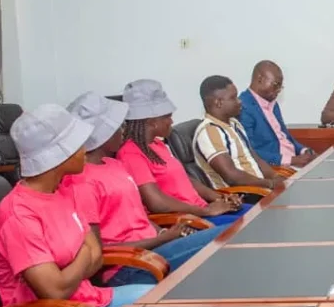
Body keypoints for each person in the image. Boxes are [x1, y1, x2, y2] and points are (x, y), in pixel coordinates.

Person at [0, 105, 155, 307]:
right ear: (57, 155)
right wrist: (84, 253)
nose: (86, 149)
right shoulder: (18, 215)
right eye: (78, 144)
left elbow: (96, 258)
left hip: (89, 301)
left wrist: (76, 264)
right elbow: (55, 290)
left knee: (168, 302)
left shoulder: (63, 191)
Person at [64, 92, 231, 286]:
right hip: (129, 265)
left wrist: (163, 233)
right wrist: (162, 239)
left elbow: (139, 217)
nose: (123, 130)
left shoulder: (114, 164)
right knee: (226, 236)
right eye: (118, 126)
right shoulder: (82, 182)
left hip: (153, 249)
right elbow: (98, 251)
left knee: (229, 235)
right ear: (103, 135)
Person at [116, 79, 249, 227]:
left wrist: (221, 198)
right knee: (247, 225)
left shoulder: (158, 145)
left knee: (256, 214)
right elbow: (157, 203)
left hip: (202, 210)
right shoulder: (131, 154)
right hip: (188, 219)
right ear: (152, 122)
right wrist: (205, 211)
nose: (171, 121)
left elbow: (186, 180)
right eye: (167, 117)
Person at [194, 75, 280, 191]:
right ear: (218, 102)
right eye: (233, 98)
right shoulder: (209, 132)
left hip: (261, 189)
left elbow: (254, 158)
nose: (239, 101)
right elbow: (231, 176)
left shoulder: (234, 123)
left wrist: (277, 177)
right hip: (243, 195)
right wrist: (270, 184)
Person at [239, 60, 315, 169]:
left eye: (280, 86)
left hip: (292, 163)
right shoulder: (243, 106)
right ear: (260, 79)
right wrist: (291, 160)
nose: (279, 90)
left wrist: (304, 150)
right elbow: (248, 151)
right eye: (276, 85)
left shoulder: (273, 104)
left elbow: (284, 137)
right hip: (273, 168)